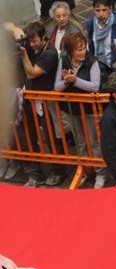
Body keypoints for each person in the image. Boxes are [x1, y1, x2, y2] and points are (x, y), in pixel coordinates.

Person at [54, 32, 107, 188]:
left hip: (90, 109)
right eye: (79, 49)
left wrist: (75, 80)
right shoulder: (64, 61)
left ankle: (101, 173)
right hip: (72, 108)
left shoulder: (92, 61)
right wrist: (66, 81)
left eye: (84, 48)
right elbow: (57, 87)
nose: (83, 51)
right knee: (80, 143)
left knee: (95, 142)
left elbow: (95, 86)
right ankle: (86, 170)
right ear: (71, 51)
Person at [19, 21, 65, 187]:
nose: (31, 45)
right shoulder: (32, 47)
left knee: (53, 136)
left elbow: (31, 73)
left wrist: (23, 54)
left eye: (34, 41)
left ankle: (58, 171)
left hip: (48, 101)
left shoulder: (50, 53)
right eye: (29, 41)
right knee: (33, 134)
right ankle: (38, 172)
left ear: (44, 37)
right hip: (32, 98)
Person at [84, 0, 116, 66]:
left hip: (114, 66)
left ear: (110, 9)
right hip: (97, 64)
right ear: (93, 10)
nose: (101, 14)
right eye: (97, 10)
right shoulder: (90, 23)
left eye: (104, 10)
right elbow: (91, 44)